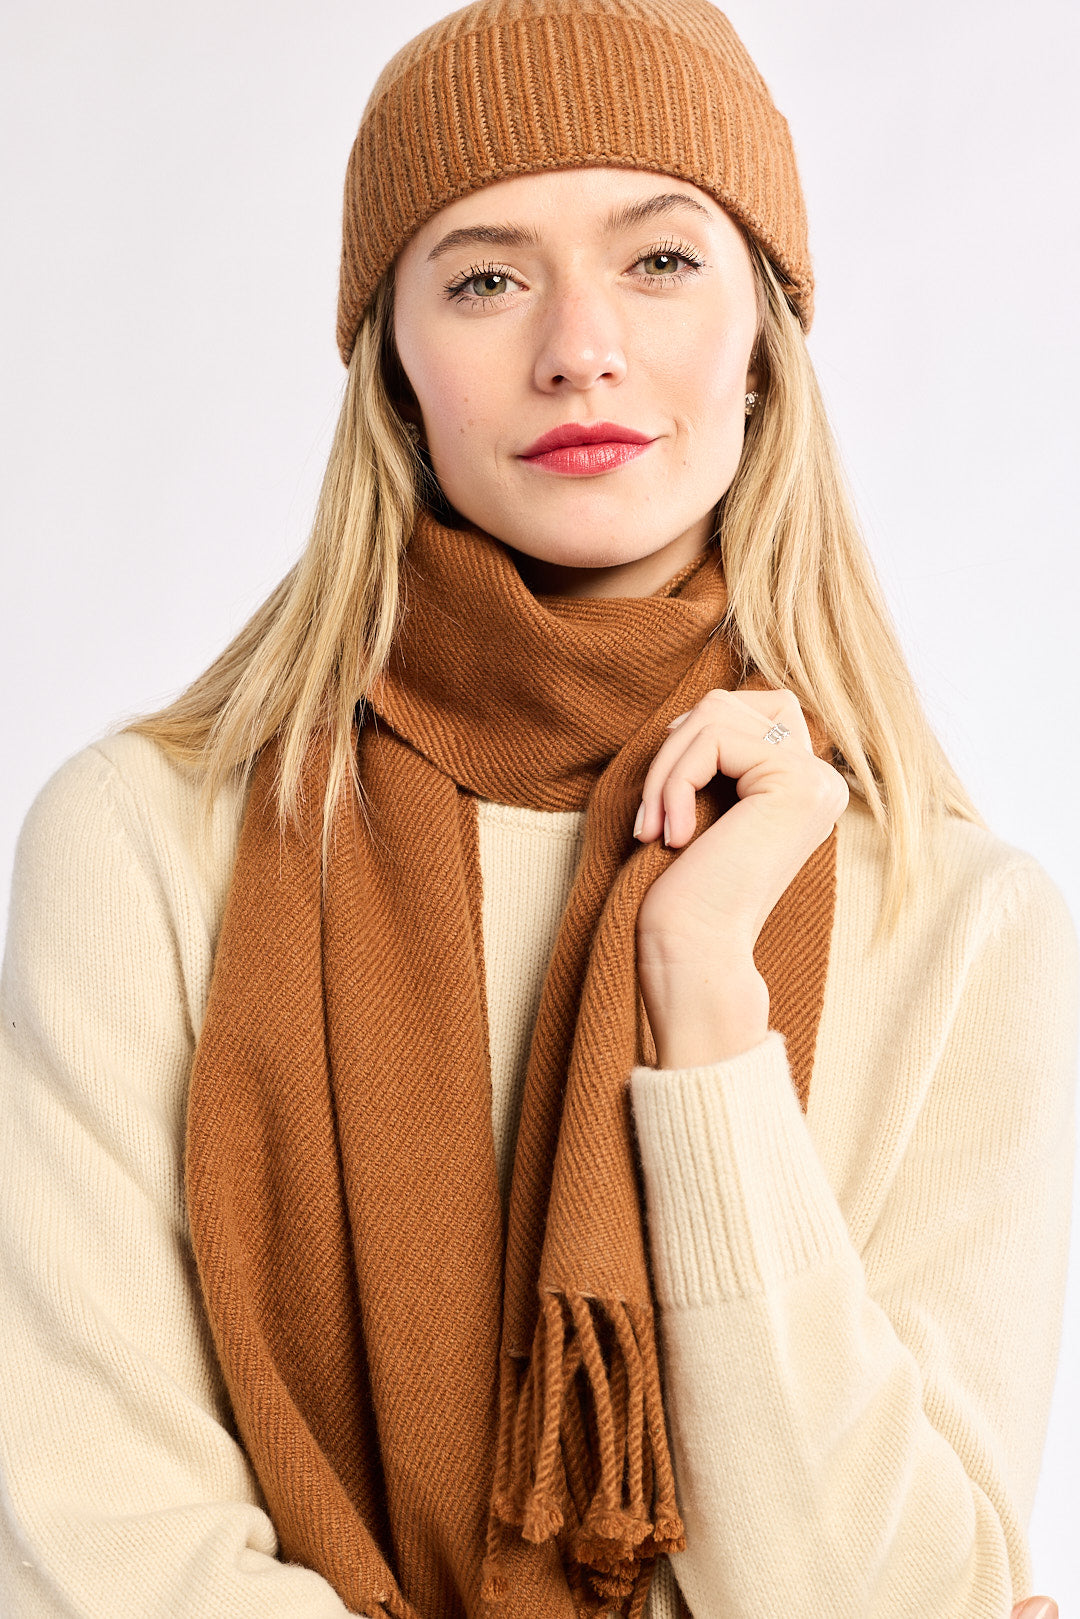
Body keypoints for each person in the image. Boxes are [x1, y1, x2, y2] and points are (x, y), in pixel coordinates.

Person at [0, 1, 1074, 1616]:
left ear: (764, 340)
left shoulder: (963, 922)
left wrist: (708, 1011)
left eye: (660, 261)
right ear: (396, 369)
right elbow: (105, 1546)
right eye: (487, 276)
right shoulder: (147, 848)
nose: (581, 344)